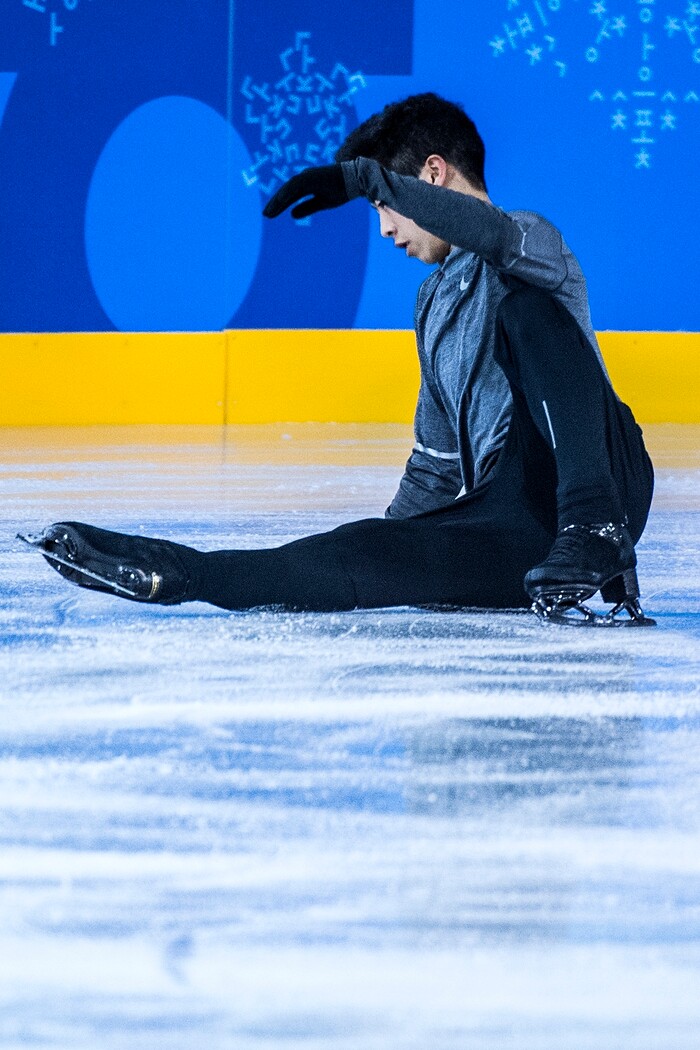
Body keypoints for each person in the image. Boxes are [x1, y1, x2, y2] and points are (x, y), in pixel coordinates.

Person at [24, 93, 655, 625]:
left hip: (605, 480)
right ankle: (181, 570)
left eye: (385, 207)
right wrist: (392, 544)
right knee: (365, 549)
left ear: (431, 175)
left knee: (527, 312)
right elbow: (434, 469)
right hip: (519, 528)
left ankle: (594, 526)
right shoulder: (432, 302)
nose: (384, 228)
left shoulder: (531, 242)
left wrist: (366, 179)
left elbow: (489, 237)